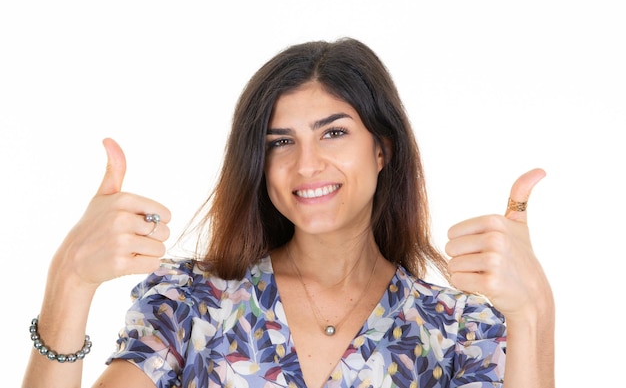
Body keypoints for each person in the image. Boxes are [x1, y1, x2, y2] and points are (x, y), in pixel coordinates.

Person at [22, 38, 555, 388]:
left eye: (334, 132)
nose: (307, 164)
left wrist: (533, 312)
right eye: (281, 141)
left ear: (382, 149)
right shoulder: (191, 305)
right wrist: (69, 281)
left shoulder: (460, 329)